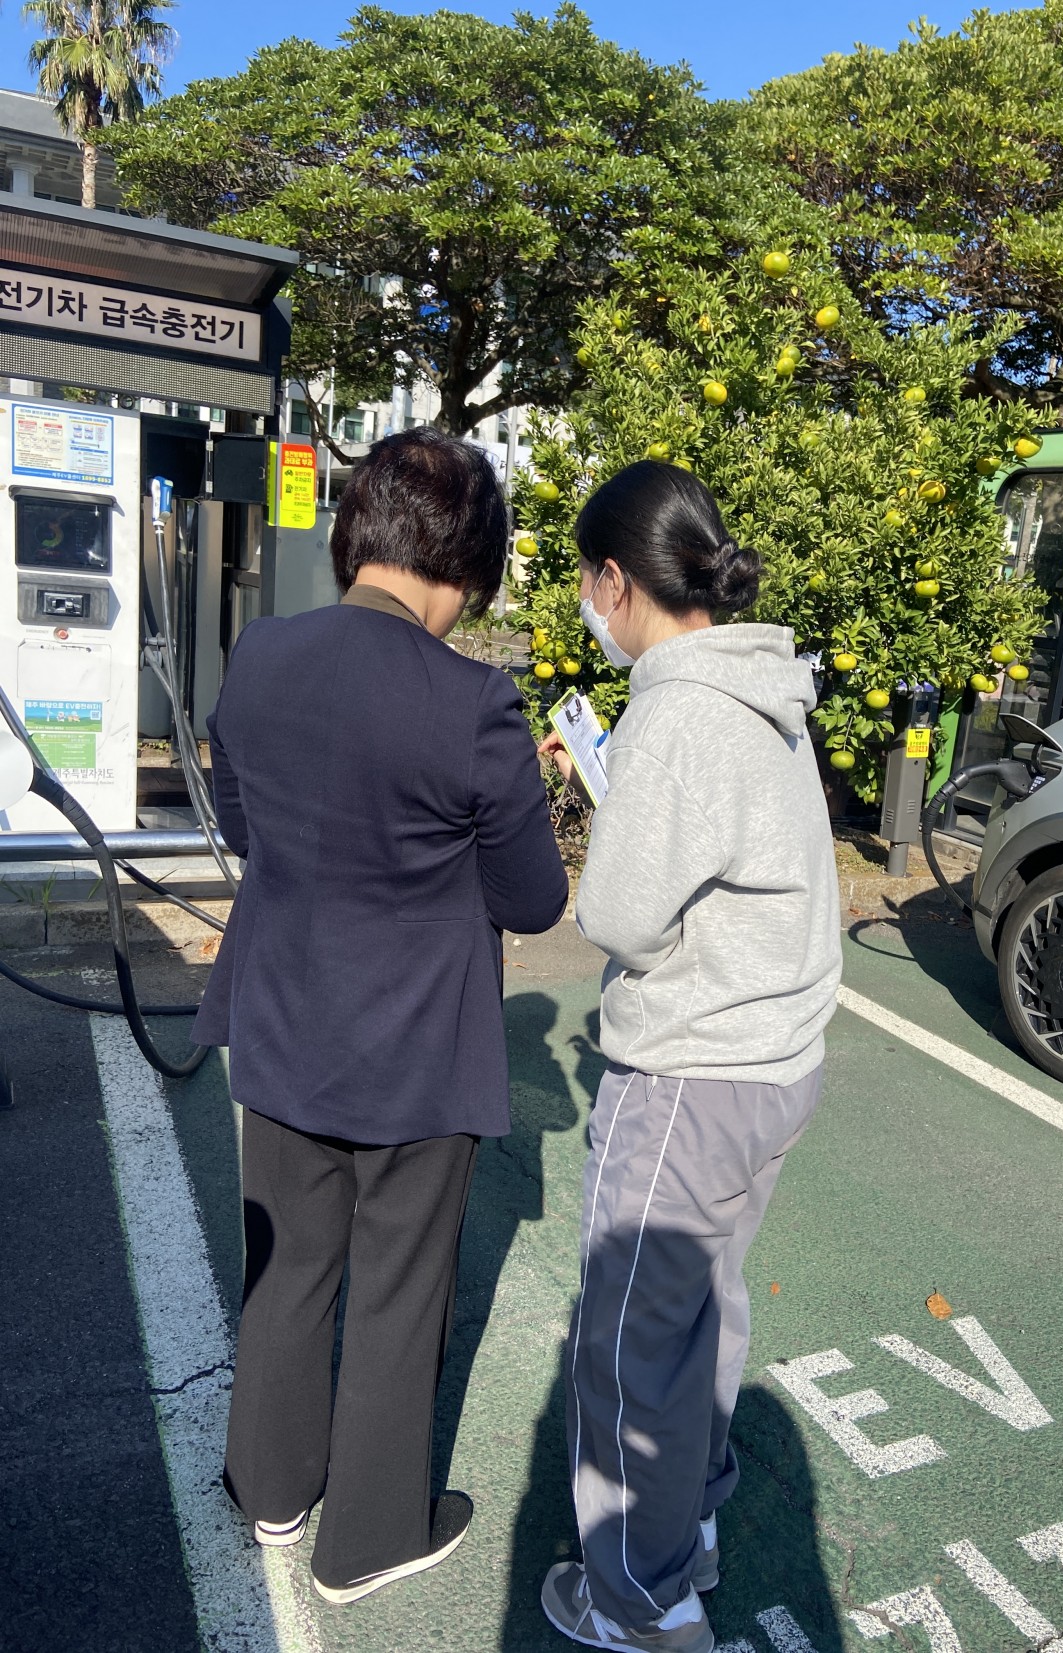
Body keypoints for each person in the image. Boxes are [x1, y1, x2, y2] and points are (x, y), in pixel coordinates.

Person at [193, 428, 568, 1604]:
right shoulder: (476, 704)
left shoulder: (261, 655)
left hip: (284, 1016)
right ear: (466, 565)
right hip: (415, 1048)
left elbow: (249, 828)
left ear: (358, 535)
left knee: (288, 1267)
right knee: (399, 1291)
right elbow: (531, 896)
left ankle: (267, 1490)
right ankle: (368, 1537)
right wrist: (533, 788)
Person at [538, 461, 841, 1653]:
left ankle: (637, 1596)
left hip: (689, 1073)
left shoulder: (672, 707)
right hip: (775, 1059)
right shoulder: (763, 685)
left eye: (583, 582)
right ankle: (688, 1535)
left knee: (626, 1348)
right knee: (702, 1317)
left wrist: (603, 806)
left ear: (617, 580)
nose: (584, 603)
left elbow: (616, 916)